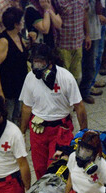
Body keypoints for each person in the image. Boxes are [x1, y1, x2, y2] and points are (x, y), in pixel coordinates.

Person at [20, 44, 88, 179]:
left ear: (50, 62)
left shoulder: (66, 78)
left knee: (57, 168)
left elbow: (79, 107)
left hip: (60, 129)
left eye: (41, 62)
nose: (37, 66)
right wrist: (22, 132)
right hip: (38, 130)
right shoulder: (30, 78)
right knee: (39, 168)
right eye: (35, 62)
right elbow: (27, 107)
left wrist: (83, 133)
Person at [0, 7, 28, 122]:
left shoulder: (18, 36)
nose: (23, 22)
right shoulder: (4, 41)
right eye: (21, 20)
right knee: (8, 120)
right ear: (16, 24)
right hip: (8, 89)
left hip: (19, 87)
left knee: (16, 118)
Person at [53, 0, 89, 81]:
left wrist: (87, 35)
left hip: (78, 43)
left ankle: (74, 93)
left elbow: (85, 14)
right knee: (62, 78)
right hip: (63, 45)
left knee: (77, 77)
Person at [79, 0, 102, 104]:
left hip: (94, 31)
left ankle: (85, 90)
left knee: (91, 63)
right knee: (84, 64)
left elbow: (99, 10)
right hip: (82, 33)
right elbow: (83, 12)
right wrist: (87, 34)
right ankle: (81, 92)